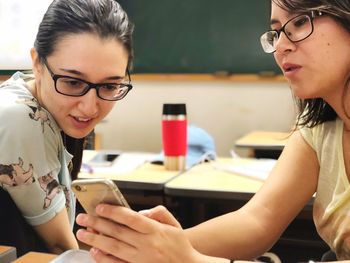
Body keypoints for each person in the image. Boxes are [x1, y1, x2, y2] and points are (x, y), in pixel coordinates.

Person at [75, 0, 350, 262]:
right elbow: (258, 219)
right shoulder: (318, 131)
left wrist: (188, 259)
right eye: (276, 33)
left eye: (300, 22)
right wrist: (158, 245)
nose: (281, 47)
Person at [0, 0, 134, 256]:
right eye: (73, 82)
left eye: (109, 86)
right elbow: (61, 246)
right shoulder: (20, 118)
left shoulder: (53, 106)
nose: (89, 108)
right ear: (37, 62)